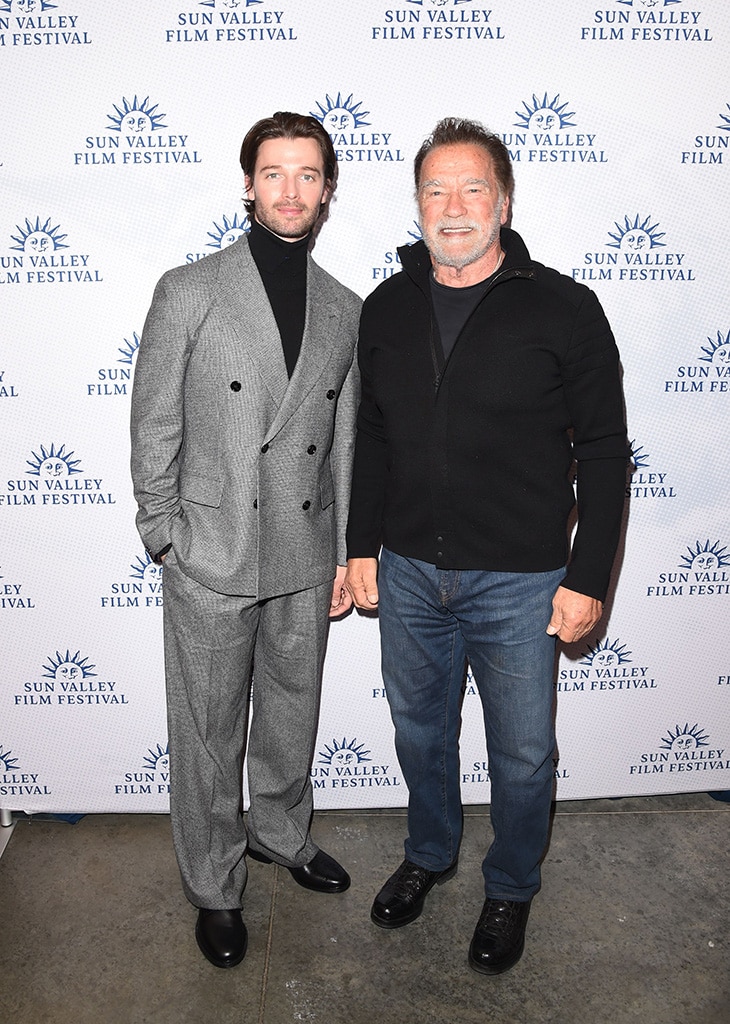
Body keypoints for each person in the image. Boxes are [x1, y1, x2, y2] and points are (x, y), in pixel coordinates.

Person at [345, 117, 629, 975]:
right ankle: (429, 855)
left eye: (473, 189)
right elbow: (373, 436)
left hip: (521, 581)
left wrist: (588, 577)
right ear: (417, 204)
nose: (454, 206)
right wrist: (361, 546)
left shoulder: (565, 308)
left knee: (524, 755)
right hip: (407, 573)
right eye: (436, 190)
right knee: (419, 736)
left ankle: (510, 885)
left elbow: (604, 452)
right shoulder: (385, 307)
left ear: (504, 202)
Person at [130, 111, 361, 969]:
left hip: (304, 548)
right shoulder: (189, 289)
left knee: (292, 712)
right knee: (207, 731)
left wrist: (342, 553)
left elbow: (343, 439)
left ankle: (280, 832)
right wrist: (164, 532)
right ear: (248, 184)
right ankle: (215, 883)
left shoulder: (345, 307)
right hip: (211, 550)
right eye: (274, 172)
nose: (290, 190)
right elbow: (154, 420)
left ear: (327, 190)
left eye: (308, 174)